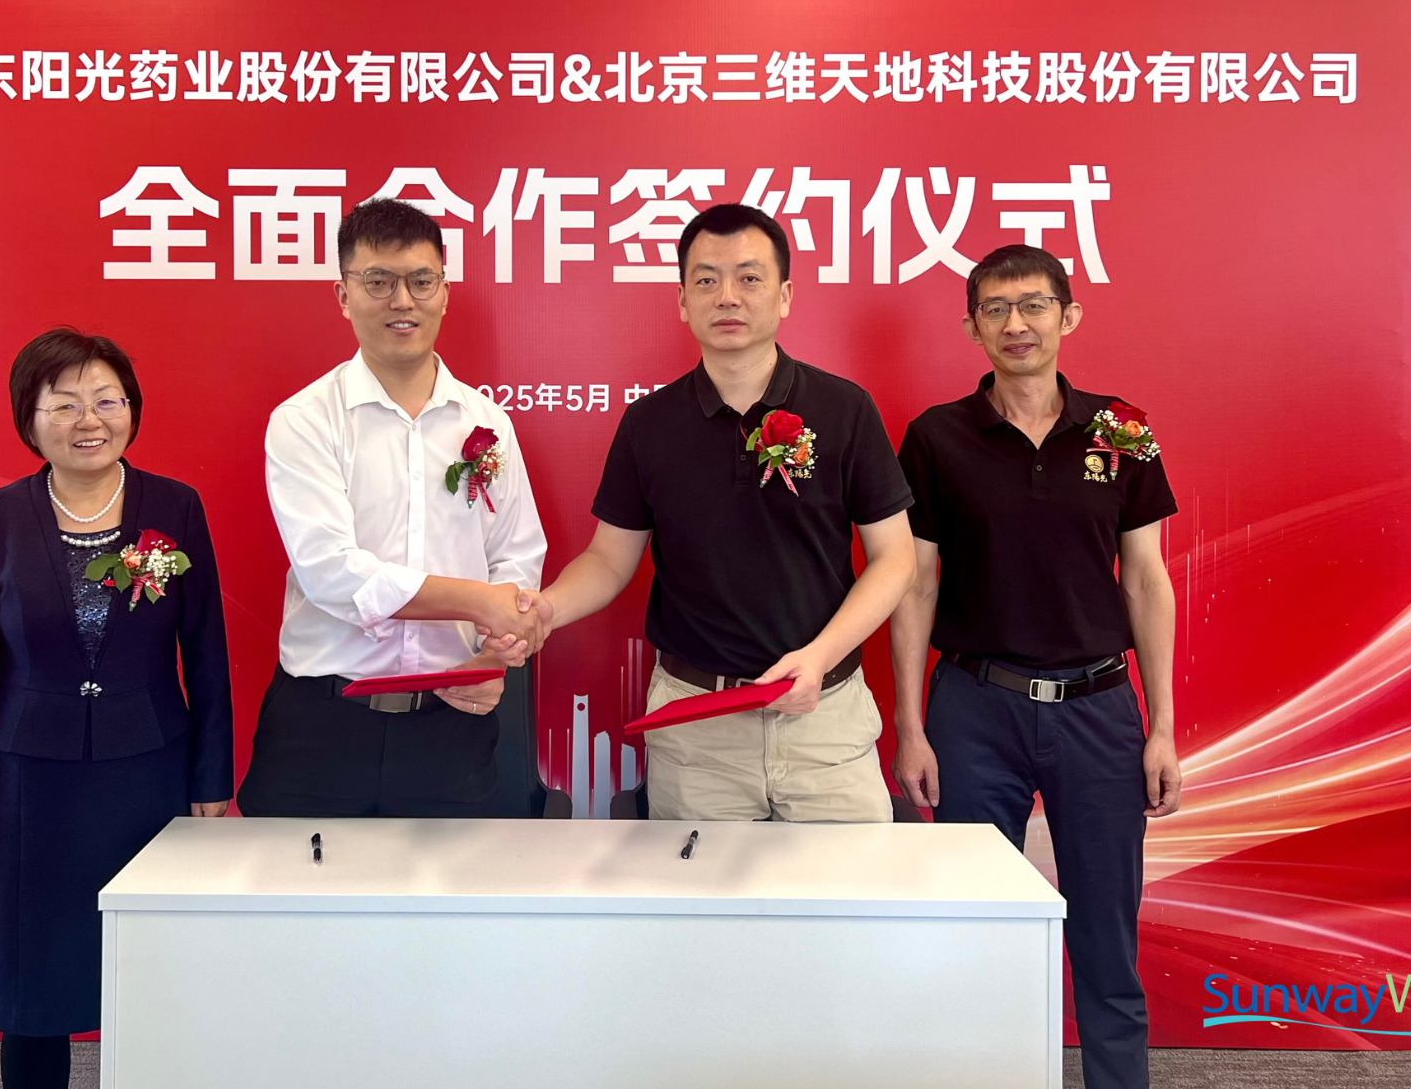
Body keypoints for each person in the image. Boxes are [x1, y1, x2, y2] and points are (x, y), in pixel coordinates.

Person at [890, 243, 1181, 1089]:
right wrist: (910, 725)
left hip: (1098, 708)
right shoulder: (937, 437)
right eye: (996, 309)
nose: (1015, 324)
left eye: (1034, 306)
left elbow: (1146, 579)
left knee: (1106, 934)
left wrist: (1162, 725)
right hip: (975, 708)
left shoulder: (1121, 431)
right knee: (975, 929)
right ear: (972, 327)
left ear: (1068, 316)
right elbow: (915, 582)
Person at [526, 203, 916, 821]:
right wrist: (547, 609)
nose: (727, 296)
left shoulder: (845, 409)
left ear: (784, 295)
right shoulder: (649, 424)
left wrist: (819, 657)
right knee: (698, 888)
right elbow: (608, 559)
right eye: (706, 280)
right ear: (683, 301)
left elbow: (895, 559)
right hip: (696, 727)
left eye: (749, 277)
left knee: (846, 886)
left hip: (826, 719)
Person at [0, 328, 234, 1089]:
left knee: (153, 973)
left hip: (148, 775)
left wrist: (212, 780)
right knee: (33, 984)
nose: (89, 420)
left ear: (132, 409)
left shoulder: (175, 508)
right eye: (64, 404)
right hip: (26, 789)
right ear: (30, 419)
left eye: (108, 400)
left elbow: (206, 653)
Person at [235, 198, 548, 818]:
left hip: (451, 724)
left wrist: (497, 648)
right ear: (344, 295)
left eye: (420, 281)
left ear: (444, 292)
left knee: (454, 885)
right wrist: (476, 600)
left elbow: (517, 555)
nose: (402, 301)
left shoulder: (487, 422)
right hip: (324, 724)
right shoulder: (305, 420)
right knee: (297, 884)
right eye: (378, 281)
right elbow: (330, 570)